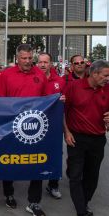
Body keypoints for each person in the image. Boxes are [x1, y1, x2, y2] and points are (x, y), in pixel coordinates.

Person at [0, 44, 47, 216]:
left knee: (38, 163)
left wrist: (58, 100)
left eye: (29, 58)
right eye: (24, 58)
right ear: (17, 58)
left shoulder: (40, 75)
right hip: (11, 127)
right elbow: (0, 102)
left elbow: (47, 100)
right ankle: (8, 193)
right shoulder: (6, 75)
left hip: (35, 128)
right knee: (9, 161)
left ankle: (34, 202)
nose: (27, 61)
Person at [64, 60, 109, 216]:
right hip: (76, 138)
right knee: (76, 175)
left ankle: (85, 200)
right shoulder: (74, 87)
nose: (108, 79)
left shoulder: (108, 89)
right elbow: (62, 111)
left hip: (98, 139)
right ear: (94, 73)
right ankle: (81, 211)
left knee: (92, 175)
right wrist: (67, 132)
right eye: (105, 75)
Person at [37, 52, 66, 200]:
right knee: (36, 153)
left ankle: (53, 184)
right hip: (37, 124)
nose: (43, 65)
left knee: (56, 154)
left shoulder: (60, 81)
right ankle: (35, 181)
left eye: (45, 62)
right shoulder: (33, 78)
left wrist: (63, 99)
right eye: (40, 62)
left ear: (51, 63)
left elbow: (66, 102)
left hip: (54, 124)